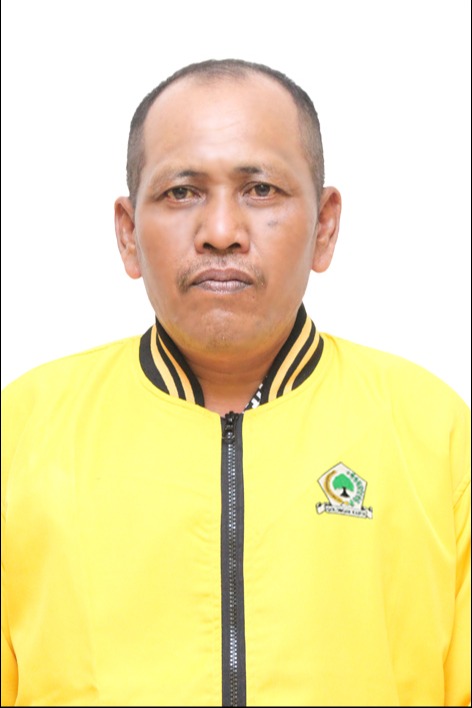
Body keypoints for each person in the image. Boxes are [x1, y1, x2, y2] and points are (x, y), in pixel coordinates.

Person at [1, 59, 470, 708]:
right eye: (181, 192)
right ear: (128, 234)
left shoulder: (437, 434)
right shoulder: (23, 432)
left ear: (325, 226)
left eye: (261, 189)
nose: (221, 233)